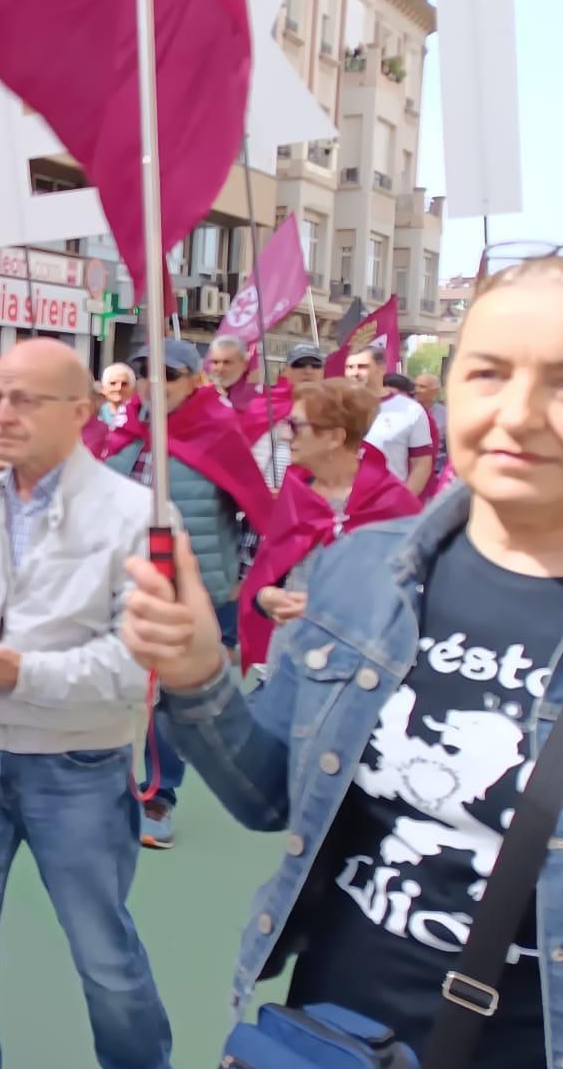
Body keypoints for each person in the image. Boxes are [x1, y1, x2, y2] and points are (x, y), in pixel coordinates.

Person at [119, 252, 563, 1069]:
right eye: (487, 373)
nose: (517, 412)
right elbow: (270, 797)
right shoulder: (364, 572)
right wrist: (198, 675)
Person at [0, 338, 183, 1069]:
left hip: (79, 764)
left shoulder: (135, 516)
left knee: (103, 953)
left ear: (84, 410)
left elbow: (137, 664)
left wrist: (18, 673)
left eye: (27, 399)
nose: (2, 414)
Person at [100, 339, 274, 850]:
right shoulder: (125, 434)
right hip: (122, 587)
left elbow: (257, 515)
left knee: (172, 702)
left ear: (195, 380)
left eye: (169, 375)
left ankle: (159, 796)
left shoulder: (218, 434)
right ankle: (108, 791)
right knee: (112, 687)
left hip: (192, 593)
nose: (156, 384)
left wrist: (240, 577)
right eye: (146, 373)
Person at [235, 378, 422, 670]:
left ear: (334, 437)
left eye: (296, 426)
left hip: (358, 667)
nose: (285, 435)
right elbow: (271, 571)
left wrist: (331, 608)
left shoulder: (394, 505)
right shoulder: (297, 491)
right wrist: (267, 597)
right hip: (289, 656)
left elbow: (404, 599)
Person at [345, 345, 435, 494]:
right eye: (349, 367)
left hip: (387, 505)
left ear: (381, 368)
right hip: (339, 506)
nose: (354, 373)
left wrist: (403, 503)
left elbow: (422, 465)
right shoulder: (334, 407)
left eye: (362, 366)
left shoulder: (411, 410)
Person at [238, 341, 327, 488]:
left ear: (322, 371)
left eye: (315, 365)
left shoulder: (332, 407)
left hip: (318, 492)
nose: (308, 370)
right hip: (272, 492)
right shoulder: (268, 404)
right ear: (286, 370)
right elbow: (255, 456)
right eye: (299, 364)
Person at [203, 335, 259, 410]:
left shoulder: (258, 399)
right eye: (215, 362)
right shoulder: (199, 399)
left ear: (245, 364)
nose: (220, 369)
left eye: (227, 362)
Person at [415, 370, 450, 487]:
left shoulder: (446, 415)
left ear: (435, 391)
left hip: (436, 477)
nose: (416, 390)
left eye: (422, 387)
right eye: (415, 385)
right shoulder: (405, 412)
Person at [99, 362, 136, 427]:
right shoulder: (95, 414)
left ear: (133, 389)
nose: (119, 388)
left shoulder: (141, 416)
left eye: (124, 384)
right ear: (103, 389)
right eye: (113, 383)